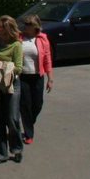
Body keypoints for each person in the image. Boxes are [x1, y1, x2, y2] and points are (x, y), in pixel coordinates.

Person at [0, 16, 25, 165]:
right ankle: (0, 153)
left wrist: (0, 64)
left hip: (11, 85)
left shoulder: (16, 45)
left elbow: (18, 69)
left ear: (8, 29)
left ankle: (16, 148)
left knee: (12, 118)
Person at [18, 14, 55, 144]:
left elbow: (47, 59)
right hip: (23, 76)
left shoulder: (42, 39)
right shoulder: (19, 38)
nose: (26, 27)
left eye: (29, 25)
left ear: (35, 26)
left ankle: (29, 123)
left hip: (37, 76)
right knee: (25, 105)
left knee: (37, 104)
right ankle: (29, 134)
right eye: (25, 24)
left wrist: (50, 79)